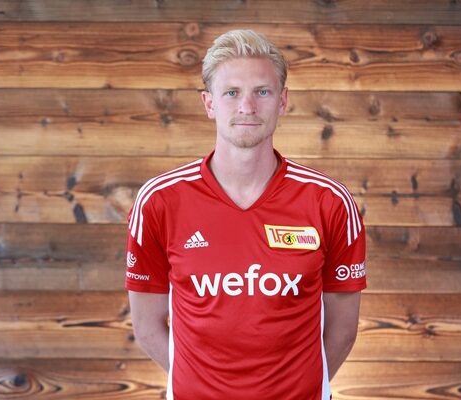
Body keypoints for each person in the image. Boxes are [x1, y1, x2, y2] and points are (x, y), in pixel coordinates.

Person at [125, 29, 366, 400]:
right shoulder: (159, 201)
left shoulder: (329, 202)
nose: (247, 107)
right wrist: (204, 384)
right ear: (209, 103)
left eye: (262, 92)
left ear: (283, 101)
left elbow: (343, 330)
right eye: (232, 92)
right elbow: (146, 326)